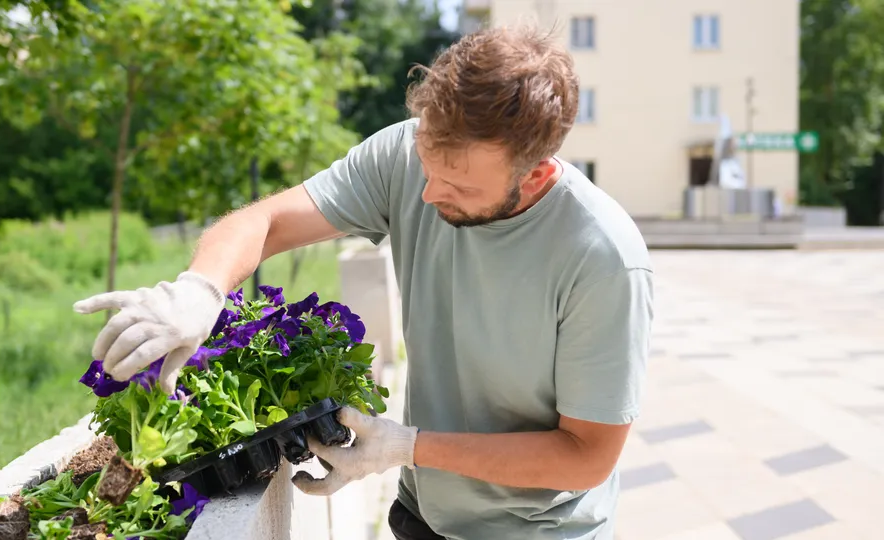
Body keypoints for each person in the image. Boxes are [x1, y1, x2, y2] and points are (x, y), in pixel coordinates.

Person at [73, 25, 654, 540]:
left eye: (459, 188)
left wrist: (406, 447)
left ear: (536, 175)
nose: (427, 196)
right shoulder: (406, 153)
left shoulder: (601, 258)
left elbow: (585, 457)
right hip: (422, 515)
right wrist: (199, 290)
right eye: (428, 168)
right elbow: (266, 220)